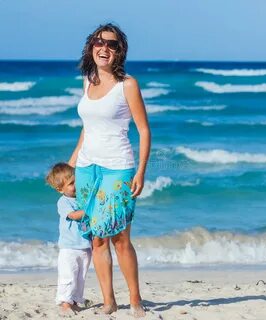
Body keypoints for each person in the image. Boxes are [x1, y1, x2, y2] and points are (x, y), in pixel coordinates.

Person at [68, 23, 151, 317]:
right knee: (96, 238)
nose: (104, 48)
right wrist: (73, 161)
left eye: (112, 44)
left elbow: (143, 130)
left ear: (119, 51)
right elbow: (87, 128)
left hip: (118, 168)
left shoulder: (127, 84)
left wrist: (140, 172)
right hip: (87, 168)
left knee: (120, 238)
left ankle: (136, 299)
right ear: (92, 47)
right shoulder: (87, 80)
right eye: (99, 42)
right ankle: (109, 301)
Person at [46, 162, 92, 313]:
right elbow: (74, 215)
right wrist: (91, 209)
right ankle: (65, 302)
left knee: (80, 277)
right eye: (71, 183)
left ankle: (75, 300)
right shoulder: (63, 202)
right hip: (69, 247)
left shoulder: (81, 199)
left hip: (85, 245)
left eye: (76, 180)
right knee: (68, 275)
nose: (76, 185)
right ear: (60, 189)